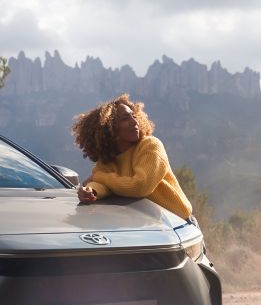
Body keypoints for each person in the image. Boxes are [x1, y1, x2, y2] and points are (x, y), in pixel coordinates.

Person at [71, 93, 193, 221]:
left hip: (179, 224)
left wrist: (98, 176)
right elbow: (102, 184)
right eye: (125, 119)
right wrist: (91, 192)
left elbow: (139, 187)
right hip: (148, 225)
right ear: (109, 128)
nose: (134, 122)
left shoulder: (150, 145)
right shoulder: (108, 160)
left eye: (134, 116)